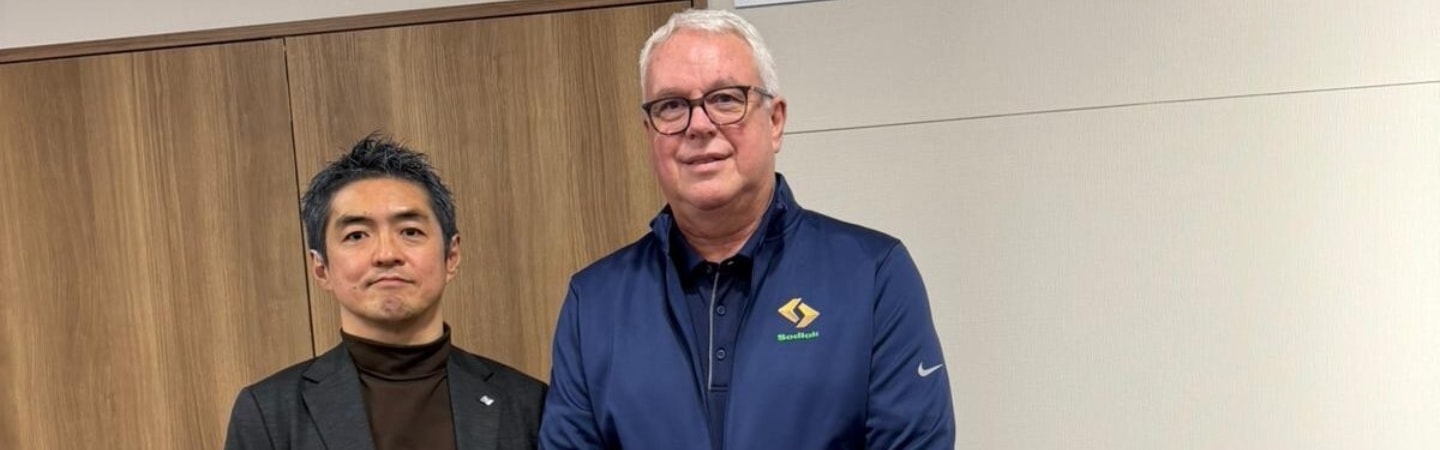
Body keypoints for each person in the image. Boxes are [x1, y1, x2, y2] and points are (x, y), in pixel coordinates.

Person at [540, 9, 954, 450]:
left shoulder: (872, 277)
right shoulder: (594, 304)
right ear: (649, 133)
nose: (699, 125)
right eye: (671, 106)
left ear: (775, 121)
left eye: (725, 99)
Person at [224, 135, 545, 450]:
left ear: (451, 256)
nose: (386, 254)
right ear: (321, 268)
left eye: (410, 231)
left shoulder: (529, 404)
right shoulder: (269, 414)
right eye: (356, 235)